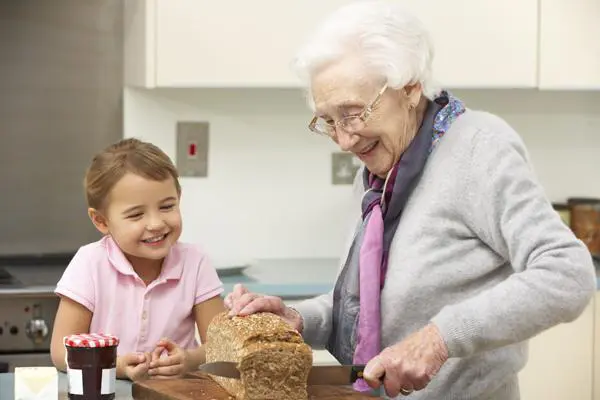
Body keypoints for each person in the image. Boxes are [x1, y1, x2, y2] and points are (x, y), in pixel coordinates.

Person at [225, 1, 596, 399]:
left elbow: (567, 274)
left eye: (353, 112)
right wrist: (297, 319)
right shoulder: (377, 174)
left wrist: (439, 339)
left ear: (411, 86)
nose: (345, 140)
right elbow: (370, 309)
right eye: (329, 120)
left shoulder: (478, 148)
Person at [50, 138, 226, 381]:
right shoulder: (89, 263)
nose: (156, 224)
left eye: (166, 207)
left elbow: (222, 347)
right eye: (136, 214)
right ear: (101, 221)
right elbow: (61, 352)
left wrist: (190, 360)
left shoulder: (195, 263)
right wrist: (116, 365)